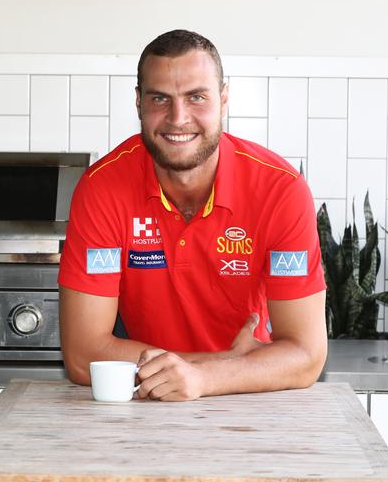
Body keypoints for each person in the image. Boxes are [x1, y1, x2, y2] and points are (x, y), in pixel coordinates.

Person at [58, 29, 327, 401]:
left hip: (253, 400)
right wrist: (214, 367)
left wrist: (205, 379)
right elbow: (83, 355)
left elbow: (307, 356)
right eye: (159, 98)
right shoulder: (101, 188)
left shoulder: (281, 190)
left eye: (196, 97)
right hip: (151, 404)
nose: (178, 117)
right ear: (139, 103)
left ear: (224, 99)